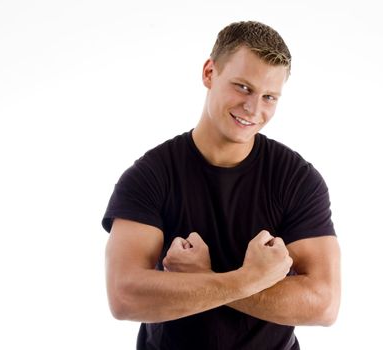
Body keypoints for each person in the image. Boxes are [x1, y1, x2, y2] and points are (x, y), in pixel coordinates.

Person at [102, 20, 341, 350]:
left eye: (269, 96)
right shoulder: (150, 176)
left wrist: (205, 274)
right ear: (209, 73)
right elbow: (124, 295)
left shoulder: (297, 179)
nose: (253, 109)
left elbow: (324, 304)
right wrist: (247, 279)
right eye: (243, 87)